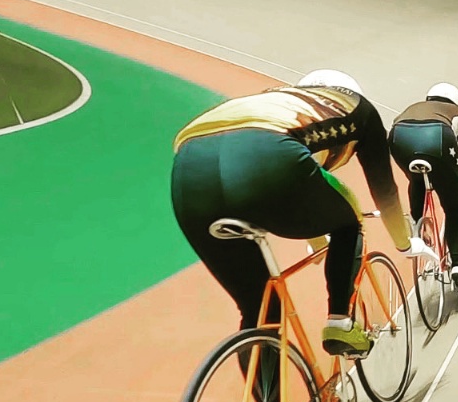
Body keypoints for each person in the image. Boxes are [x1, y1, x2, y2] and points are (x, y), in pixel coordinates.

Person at [170, 69, 431, 361]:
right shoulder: (358, 108)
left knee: (260, 312)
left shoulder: (279, 99)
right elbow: (385, 191)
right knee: (348, 218)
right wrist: (405, 243)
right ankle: (340, 324)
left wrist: (320, 244)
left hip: (189, 169)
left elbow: (307, 179)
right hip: (266, 155)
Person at [388, 83, 458, 291]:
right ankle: (457, 265)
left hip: (399, 135)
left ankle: (416, 225)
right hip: (439, 138)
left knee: (415, 178)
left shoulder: (413, 107)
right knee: (453, 209)